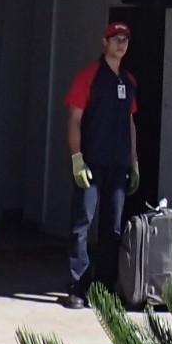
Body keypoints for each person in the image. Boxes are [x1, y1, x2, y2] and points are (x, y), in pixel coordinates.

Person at [63, 20, 138, 304]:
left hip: (118, 165)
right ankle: (77, 287)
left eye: (125, 40)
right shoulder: (89, 76)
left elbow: (130, 122)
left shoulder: (128, 81)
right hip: (92, 163)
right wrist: (76, 157)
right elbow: (74, 118)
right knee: (82, 223)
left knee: (113, 228)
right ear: (104, 42)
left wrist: (134, 161)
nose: (120, 43)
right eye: (115, 38)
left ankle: (103, 288)